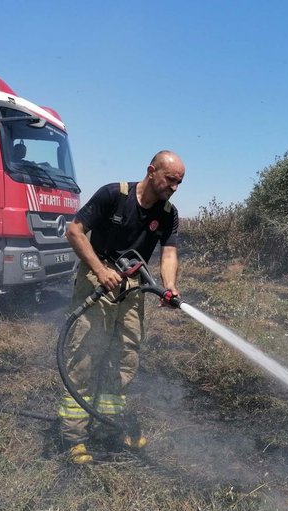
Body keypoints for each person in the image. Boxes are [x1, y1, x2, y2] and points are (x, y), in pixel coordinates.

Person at [59, 150, 185, 464]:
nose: (174, 187)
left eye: (179, 182)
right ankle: (74, 438)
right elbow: (74, 231)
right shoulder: (114, 196)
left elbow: (168, 254)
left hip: (133, 286)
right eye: (170, 179)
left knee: (124, 357)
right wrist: (100, 271)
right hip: (98, 278)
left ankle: (106, 428)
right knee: (85, 356)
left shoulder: (168, 214)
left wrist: (168, 286)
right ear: (152, 170)